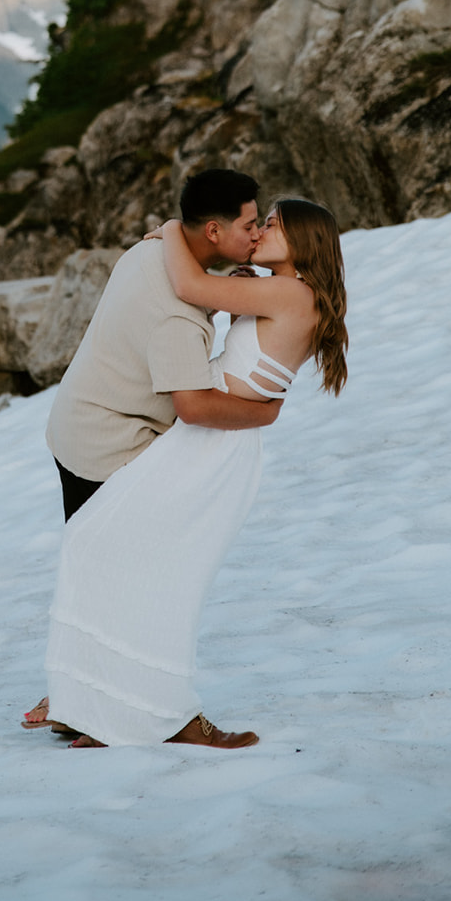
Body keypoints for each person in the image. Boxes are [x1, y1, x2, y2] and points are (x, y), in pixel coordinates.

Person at [44, 195, 348, 748]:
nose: (259, 233)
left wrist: (166, 229)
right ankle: (94, 700)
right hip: (210, 443)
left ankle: (140, 710)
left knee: (142, 569)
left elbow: (189, 287)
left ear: (304, 240)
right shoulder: (288, 291)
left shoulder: (288, 292)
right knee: (115, 554)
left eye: (271, 226)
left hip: (211, 446)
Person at [23, 168, 282, 736]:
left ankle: (77, 704)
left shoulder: (150, 254)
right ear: (212, 231)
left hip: (78, 424)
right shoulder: (176, 312)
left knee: (100, 577)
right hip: (107, 445)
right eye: (247, 224)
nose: (257, 234)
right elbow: (191, 404)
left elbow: (170, 295)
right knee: (143, 582)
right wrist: (264, 413)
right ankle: (143, 713)